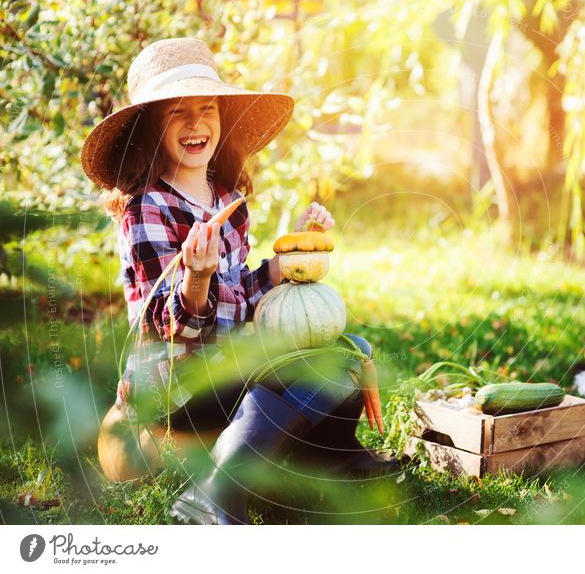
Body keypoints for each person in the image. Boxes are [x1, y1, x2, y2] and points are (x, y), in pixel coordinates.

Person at [81, 37, 399, 525]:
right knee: (307, 368)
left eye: (207, 108)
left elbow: (244, 295)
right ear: (151, 128)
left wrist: (294, 254)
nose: (196, 124)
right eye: (176, 112)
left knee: (348, 349)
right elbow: (167, 326)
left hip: (227, 366)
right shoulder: (147, 209)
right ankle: (214, 491)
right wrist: (196, 279)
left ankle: (332, 454)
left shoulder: (228, 201)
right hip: (178, 390)